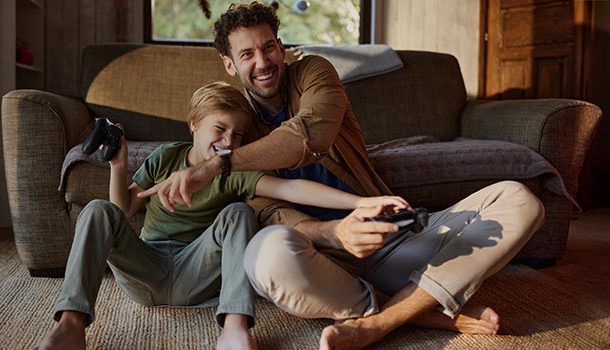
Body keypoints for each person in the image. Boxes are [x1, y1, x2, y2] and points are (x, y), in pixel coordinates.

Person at [134, 3, 545, 349]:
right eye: (246, 55)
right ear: (229, 65)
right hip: (320, 260)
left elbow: (311, 134)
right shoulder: (236, 128)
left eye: (269, 47)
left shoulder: (314, 72)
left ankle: (382, 320)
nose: (262, 63)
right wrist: (334, 233)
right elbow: (270, 210)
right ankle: (422, 309)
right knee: (263, 254)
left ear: (282, 48)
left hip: (391, 242)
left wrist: (220, 163)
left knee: (518, 198)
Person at [35, 82, 410, 350]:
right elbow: (122, 211)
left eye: (238, 135)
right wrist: (118, 165)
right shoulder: (165, 157)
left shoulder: (231, 171)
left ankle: (234, 327)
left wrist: (358, 202)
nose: (229, 142)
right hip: (144, 269)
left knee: (237, 212)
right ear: (194, 124)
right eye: (219, 129)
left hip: (195, 272)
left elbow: (290, 190)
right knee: (98, 209)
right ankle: (70, 326)